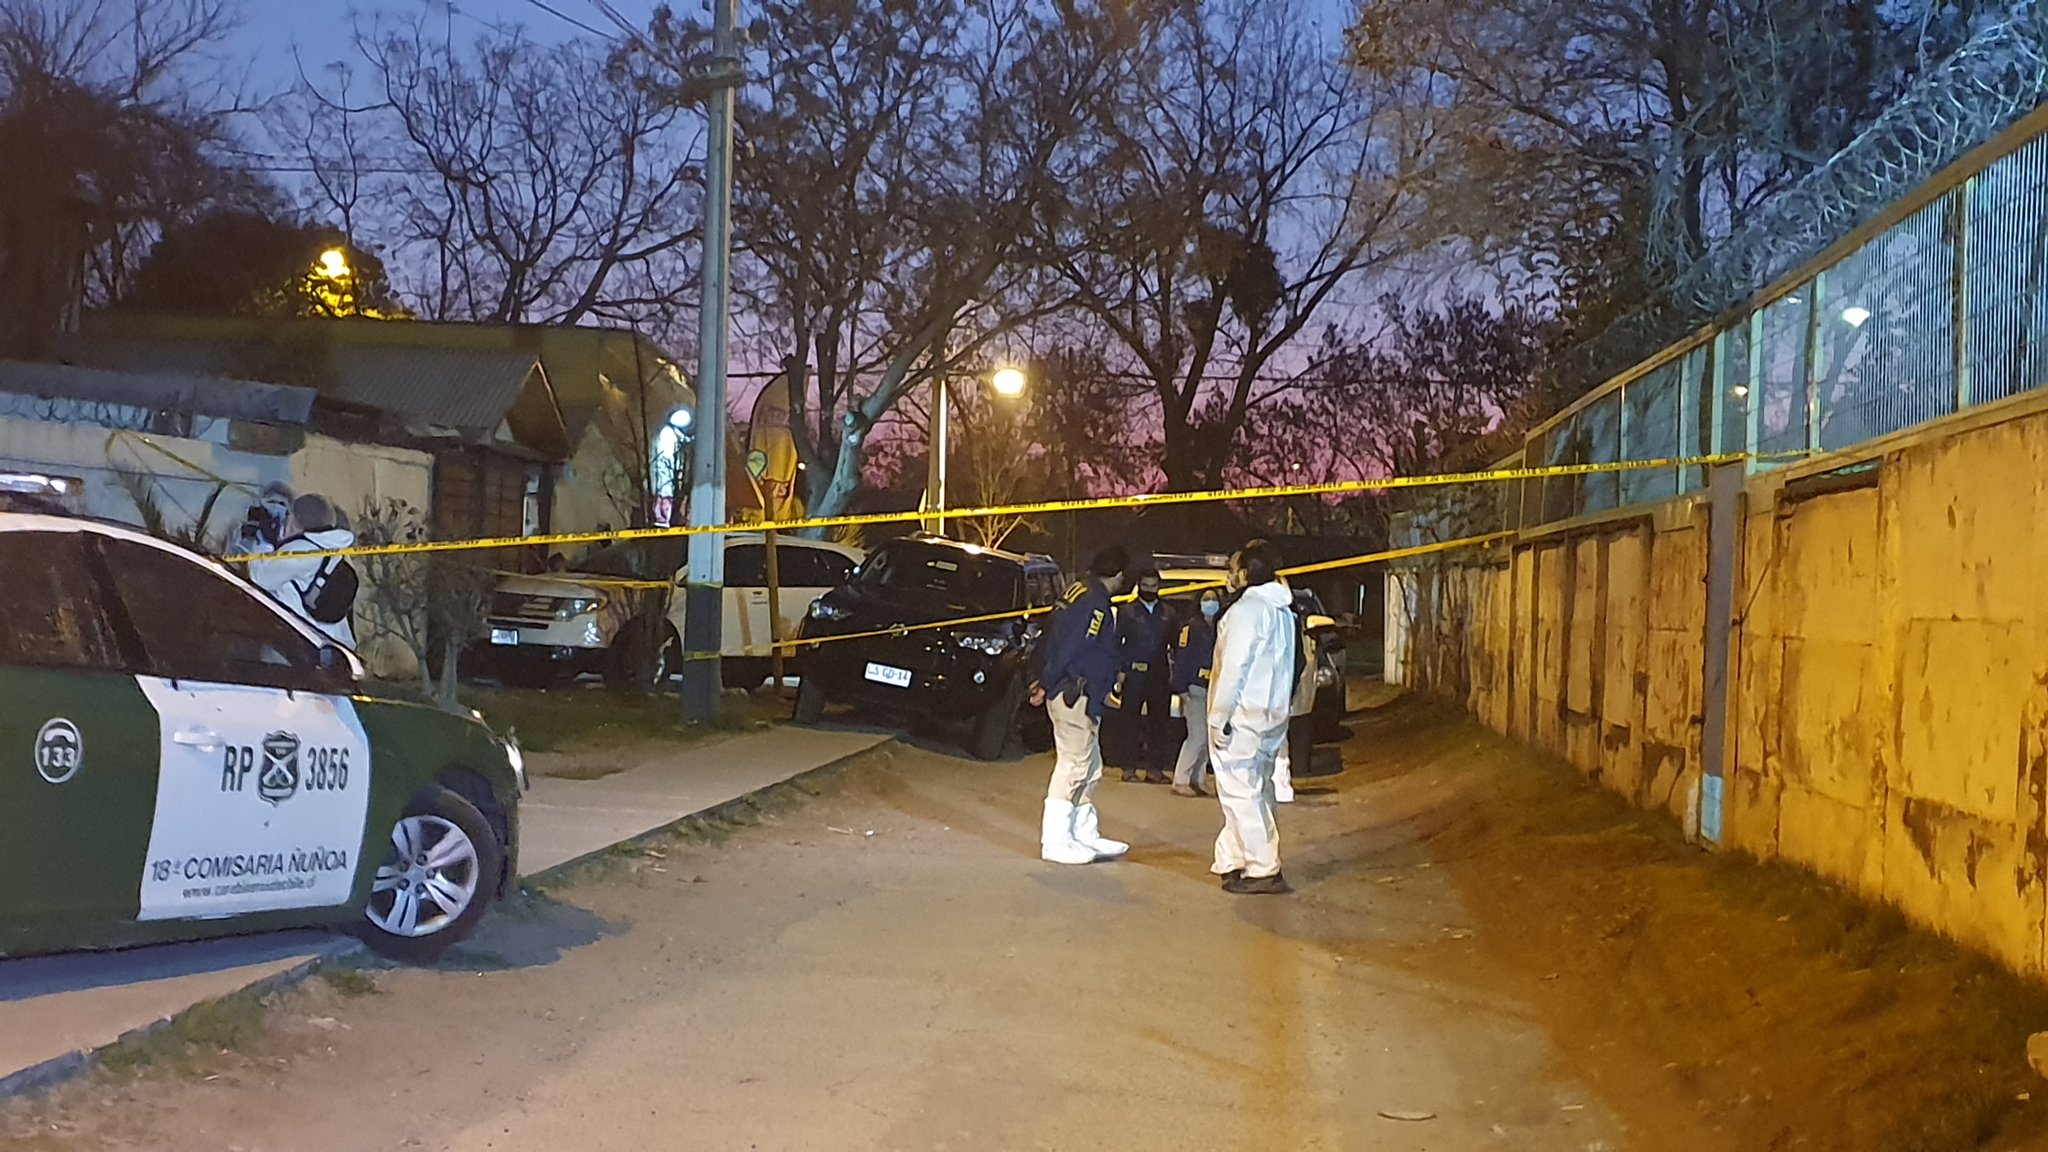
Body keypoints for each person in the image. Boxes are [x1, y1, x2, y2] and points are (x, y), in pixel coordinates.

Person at [1029, 545, 1132, 865]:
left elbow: (1051, 635)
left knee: (1091, 766)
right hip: (1074, 691)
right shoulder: (1094, 601)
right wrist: (1046, 682)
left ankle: (1084, 834)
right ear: (1118, 575)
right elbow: (1072, 645)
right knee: (1074, 766)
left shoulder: (1078, 591)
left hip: (1083, 694)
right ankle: (1056, 841)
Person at [1207, 539, 1296, 895]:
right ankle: (1233, 858)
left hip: (1242, 716)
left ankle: (1263, 868)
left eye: (1233, 569)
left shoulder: (1247, 611)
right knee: (1253, 790)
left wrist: (1219, 716)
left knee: (1240, 793)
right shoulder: (1282, 610)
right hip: (1270, 716)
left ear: (1245, 573)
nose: (1229, 576)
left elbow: (1234, 668)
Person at [249, 493, 360, 648]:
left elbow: (258, 576)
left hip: (308, 645)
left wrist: (265, 542)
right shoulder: (336, 551)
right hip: (336, 644)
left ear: (296, 524)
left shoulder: (301, 552)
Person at [1108, 569, 1177, 784]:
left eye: (1153, 585)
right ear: (1139, 586)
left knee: (1159, 722)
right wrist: (1120, 671)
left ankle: (1155, 769)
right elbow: (1117, 642)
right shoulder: (1127, 612)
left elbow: (1176, 645)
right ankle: (1128, 768)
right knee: (1129, 722)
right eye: (1145, 585)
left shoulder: (1168, 613)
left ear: (1158, 587)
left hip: (1159, 674)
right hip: (1134, 673)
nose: (1149, 589)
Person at [1169, 587, 1222, 797]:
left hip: (1213, 689)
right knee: (1197, 736)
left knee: (1208, 738)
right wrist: (1181, 688)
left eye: (1214, 598)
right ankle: (1181, 779)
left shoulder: (1219, 627)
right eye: (1207, 598)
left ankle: (1198, 779)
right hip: (1195, 688)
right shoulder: (1191, 628)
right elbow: (1182, 659)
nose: (1211, 602)